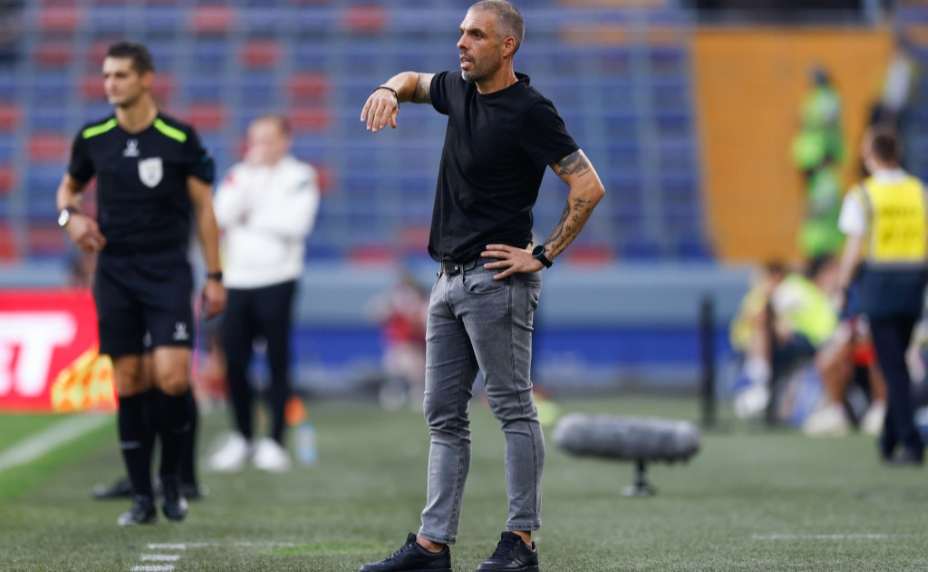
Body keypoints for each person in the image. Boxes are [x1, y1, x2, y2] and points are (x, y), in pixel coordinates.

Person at [357, 2, 605, 571]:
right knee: (443, 416)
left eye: (475, 34)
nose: (461, 43)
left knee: (513, 409)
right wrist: (388, 90)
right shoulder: (459, 89)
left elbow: (588, 186)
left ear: (507, 45)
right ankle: (432, 546)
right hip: (445, 280)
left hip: (496, 282)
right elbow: (413, 80)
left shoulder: (531, 110)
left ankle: (521, 543)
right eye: (461, 33)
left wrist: (542, 254)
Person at [56, 41, 225, 525]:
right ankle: (140, 498)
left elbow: (204, 210)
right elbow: (68, 188)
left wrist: (215, 276)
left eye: (121, 75)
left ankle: (171, 481)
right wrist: (71, 218)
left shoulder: (179, 137)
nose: (111, 84)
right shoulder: (94, 136)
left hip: (168, 270)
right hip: (115, 273)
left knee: (173, 377)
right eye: (107, 76)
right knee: (128, 379)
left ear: (147, 79)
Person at [209, 115, 320, 473]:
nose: (260, 147)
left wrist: (250, 217)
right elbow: (220, 215)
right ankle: (242, 436)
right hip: (237, 280)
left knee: (277, 361)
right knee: (234, 361)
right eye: (255, 139)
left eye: (268, 139)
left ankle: (273, 441)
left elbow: (296, 224)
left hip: (278, 278)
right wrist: (252, 199)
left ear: (285, 141)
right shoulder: (239, 175)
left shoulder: (300, 175)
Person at [835, 127, 927, 466]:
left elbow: (853, 248)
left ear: (869, 154)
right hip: (914, 285)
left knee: (892, 368)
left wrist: (842, 287)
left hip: (880, 286)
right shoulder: (919, 192)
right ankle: (888, 440)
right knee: (896, 362)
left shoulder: (863, 194)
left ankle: (910, 441)